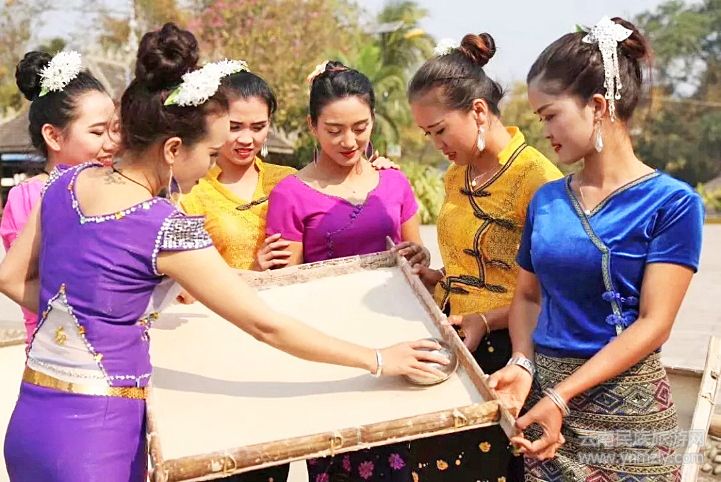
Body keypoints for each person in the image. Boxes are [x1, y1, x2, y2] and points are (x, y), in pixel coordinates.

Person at [0, 23, 447, 482]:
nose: (212, 164)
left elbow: (11, 279)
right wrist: (378, 359)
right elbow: (265, 324)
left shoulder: (65, 184)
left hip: (31, 421)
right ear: (174, 149)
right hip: (97, 435)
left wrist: (93, 318)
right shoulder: (166, 228)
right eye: (212, 152)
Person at [488, 17, 704, 481]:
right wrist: (522, 362)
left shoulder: (672, 204)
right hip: (547, 419)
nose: (544, 130)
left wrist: (562, 396)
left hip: (631, 426)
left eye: (550, 115)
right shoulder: (547, 200)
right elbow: (527, 296)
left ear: (598, 106)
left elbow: (654, 323)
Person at [404, 33, 562, 481]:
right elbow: (474, 264)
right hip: (456, 342)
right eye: (427, 134)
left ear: (477, 111)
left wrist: (486, 320)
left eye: (439, 130)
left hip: (511, 353)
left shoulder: (538, 180)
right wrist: (436, 276)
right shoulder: (456, 176)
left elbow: (553, 290)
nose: (436, 144)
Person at [265, 60, 428, 481]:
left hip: (399, 343)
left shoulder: (395, 183)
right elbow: (286, 288)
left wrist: (420, 261)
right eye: (334, 130)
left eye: (360, 127)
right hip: (330, 352)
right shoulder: (290, 194)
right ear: (312, 126)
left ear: (373, 120)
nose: (349, 140)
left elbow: (420, 268)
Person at [0, 50, 116, 343]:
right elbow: (19, 281)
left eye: (114, 130)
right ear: (53, 136)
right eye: (98, 132)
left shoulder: (117, 187)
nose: (112, 143)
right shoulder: (29, 197)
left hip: (119, 346)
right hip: (57, 350)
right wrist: (95, 315)